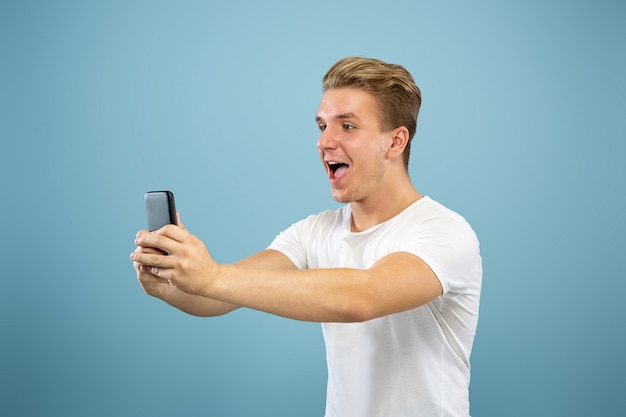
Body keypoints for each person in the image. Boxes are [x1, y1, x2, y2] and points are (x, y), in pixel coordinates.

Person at [131, 56, 482, 417]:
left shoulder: (444, 232)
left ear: (395, 142)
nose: (324, 142)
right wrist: (172, 285)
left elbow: (360, 298)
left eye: (347, 126)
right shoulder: (314, 231)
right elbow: (217, 297)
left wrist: (212, 276)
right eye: (322, 126)